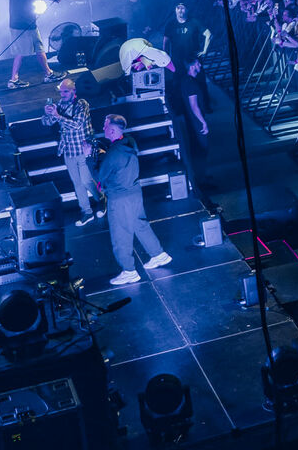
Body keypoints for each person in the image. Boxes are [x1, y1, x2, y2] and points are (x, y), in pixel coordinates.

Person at [94, 114, 172, 286]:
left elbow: (99, 175)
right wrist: (106, 154)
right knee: (140, 224)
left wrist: (89, 157)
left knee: (120, 234)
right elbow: (117, 161)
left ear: (112, 130)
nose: (103, 128)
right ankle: (158, 254)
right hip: (134, 193)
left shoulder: (113, 154)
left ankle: (129, 271)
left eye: (105, 125)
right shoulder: (129, 141)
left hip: (119, 199)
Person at [41, 78, 100, 226]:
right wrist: (48, 114)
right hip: (69, 151)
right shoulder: (60, 105)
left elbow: (77, 125)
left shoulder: (81, 104)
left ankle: (101, 200)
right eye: (61, 92)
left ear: (74, 91)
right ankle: (87, 212)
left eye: (65, 91)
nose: (62, 94)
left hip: (83, 149)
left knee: (86, 180)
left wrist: (57, 116)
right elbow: (46, 123)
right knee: (77, 183)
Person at [165, 58, 215, 212]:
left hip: (190, 122)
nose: (200, 65)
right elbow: (194, 106)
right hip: (196, 122)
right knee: (202, 150)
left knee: (198, 150)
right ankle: (201, 180)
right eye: (198, 63)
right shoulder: (191, 83)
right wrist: (203, 122)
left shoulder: (185, 81)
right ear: (192, 66)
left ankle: (202, 178)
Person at [5, 0, 58, 89]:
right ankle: (13, 80)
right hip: (22, 26)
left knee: (39, 48)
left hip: (27, 23)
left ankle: (48, 73)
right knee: (20, 53)